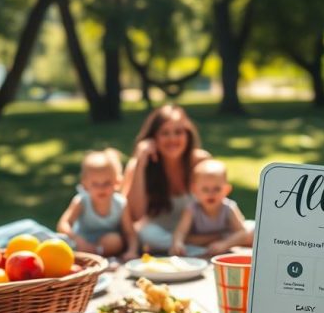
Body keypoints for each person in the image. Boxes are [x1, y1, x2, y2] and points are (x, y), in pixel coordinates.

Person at [122, 105, 210, 254]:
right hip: (160, 235)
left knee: (251, 227)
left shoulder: (200, 161)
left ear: (188, 135)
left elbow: (218, 204)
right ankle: (192, 245)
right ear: (153, 137)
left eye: (178, 132)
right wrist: (140, 163)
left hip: (197, 230)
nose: (172, 139)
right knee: (145, 233)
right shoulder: (137, 166)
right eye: (165, 133)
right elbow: (135, 216)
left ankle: (187, 245)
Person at [57, 149, 138, 258]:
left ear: (117, 182)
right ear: (85, 185)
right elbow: (63, 224)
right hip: (82, 242)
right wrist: (78, 240)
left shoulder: (120, 203)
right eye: (95, 184)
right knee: (60, 241)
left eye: (107, 183)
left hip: (105, 245)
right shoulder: (82, 201)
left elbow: (130, 233)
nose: (101, 188)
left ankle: (96, 256)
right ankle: (88, 255)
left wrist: (132, 251)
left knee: (115, 240)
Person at [170, 159, 253, 257]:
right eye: (205, 189)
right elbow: (180, 232)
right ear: (194, 190)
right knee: (187, 241)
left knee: (253, 230)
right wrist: (177, 243)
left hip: (225, 241)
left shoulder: (228, 207)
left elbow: (242, 232)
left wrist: (225, 244)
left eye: (217, 189)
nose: (211, 194)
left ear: (227, 189)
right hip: (200, 241)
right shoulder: (192, 209)